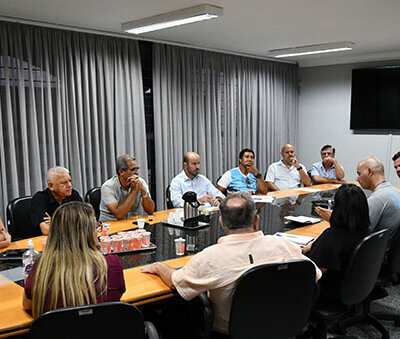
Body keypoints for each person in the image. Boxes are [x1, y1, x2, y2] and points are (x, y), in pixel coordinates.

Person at [141, 192, 321, 335]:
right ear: (256, 220)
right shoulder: (282, 245)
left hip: (232, 332)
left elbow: (175, 283)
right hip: (285, 322)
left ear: (221, 222)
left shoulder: (210, 258)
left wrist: (159, 267)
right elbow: (315, 274)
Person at [23, 202, 126, 318]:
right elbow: (115, 298)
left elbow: (28, 305)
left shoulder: (41, 266)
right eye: (95, 227)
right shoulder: (111, 264)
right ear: (87, 233)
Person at [304, 184, 370, 303]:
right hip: (354, 286)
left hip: (328, 293)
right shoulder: (366, 232)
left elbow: (314, 273)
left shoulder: (332, 237)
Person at [316, 156, 400, 242]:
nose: (357, 178)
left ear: (369, 172)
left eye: (359, 174)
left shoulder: (377, 199)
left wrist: (335, 219)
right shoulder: (396, 192)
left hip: (376, 253)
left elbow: (355, 235)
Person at [99, 155, 155, 222]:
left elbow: (150, 211)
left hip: (132, 223)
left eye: (137, 169)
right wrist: (133, 191)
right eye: (133, 170)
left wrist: (143, 191)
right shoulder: (108, 187)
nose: (137, 173)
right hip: (111, 225)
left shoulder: (141, 182)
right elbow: (119, 215)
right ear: (121, 172)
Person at [31, 166, 82, 236]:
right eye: (64, 183)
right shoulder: (40, 199)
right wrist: (72, 222)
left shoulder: (73, 194)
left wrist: (55, 222)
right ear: (51, 186)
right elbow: (46, 230)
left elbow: (86, 221)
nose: (69, 185)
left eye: (70, 181)